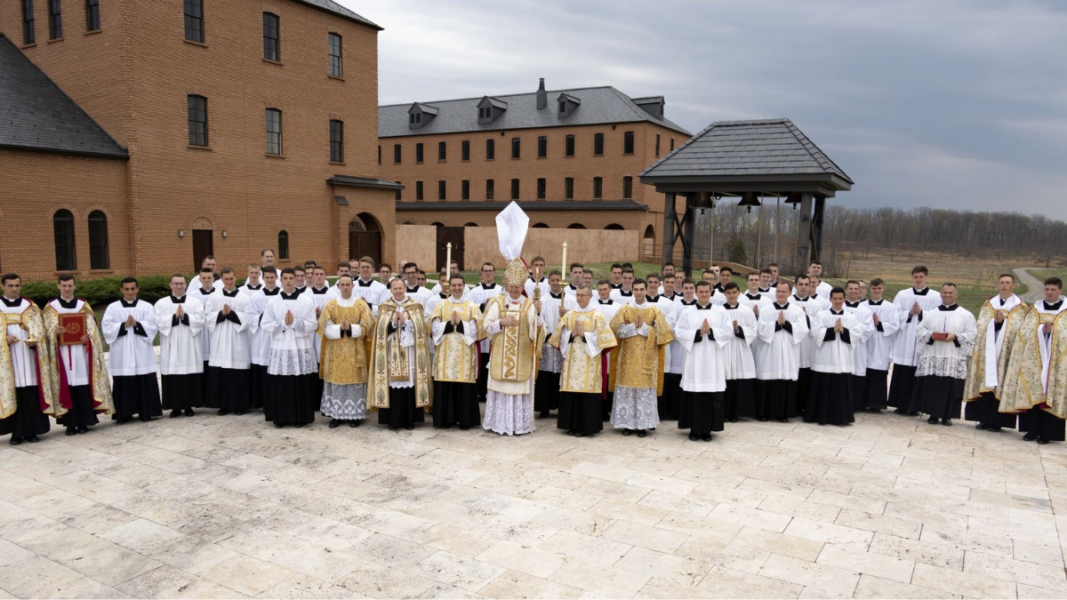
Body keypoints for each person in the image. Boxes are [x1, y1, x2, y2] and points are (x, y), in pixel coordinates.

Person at [44, 275, 114, 434]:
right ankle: (70, 423)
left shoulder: (83, 306)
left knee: (83, 386)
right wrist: (55, 332)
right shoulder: (51, 308)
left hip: (81, 354)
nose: (67, 289)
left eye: (70, 286)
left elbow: (92, 330)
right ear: (58, 286)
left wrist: (87, 337)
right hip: (62, 353)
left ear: (74, 286)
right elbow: (45, 331)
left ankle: (84, 421)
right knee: (67, 386)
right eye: (64, 286)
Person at [1001, 278, 1067, 444]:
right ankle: (1031, 430)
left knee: (1050, 393)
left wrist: (1053, 332)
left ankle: (1047, 433)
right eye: (1047, 289)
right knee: (1032, 390)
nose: (1049, 292)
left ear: (1060, 290)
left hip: (1056, 362)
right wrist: (1041, 331)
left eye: (1053, 289)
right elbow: (1025, 331)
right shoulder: (1035, 309)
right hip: (1034, 360)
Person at [483, 260, 544, 435]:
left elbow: (537, 329)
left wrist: (538, 314)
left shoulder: (529, 304)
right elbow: (486, 327)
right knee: (501, 391)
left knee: (519, 390)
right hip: (501, 355)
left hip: (522, 356)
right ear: (507, 285)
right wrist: (501, 322)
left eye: (518, 287)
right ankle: (499, 424)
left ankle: (519, 425)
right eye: (512, 286)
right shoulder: (498, 303)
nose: (514, 290)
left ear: (522, 286)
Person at [608, 278, 673, 437]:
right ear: (632, 291)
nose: (638, 292)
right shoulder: (624, 310)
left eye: (641, 289)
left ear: (646, 290)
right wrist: (633, 327)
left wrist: (643, 327)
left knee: (643, 390)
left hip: (647, 359)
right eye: (636, 289)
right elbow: (615, 332)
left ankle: (643, 425)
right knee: (628, 390)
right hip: (627, 358)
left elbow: (663, 335)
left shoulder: (654, 311)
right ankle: (627, 424)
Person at [963, 274, 1026, 432]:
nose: (1004, 286)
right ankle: (984, 419)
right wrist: (994, 323)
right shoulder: (989, 304)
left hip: (1006, 354)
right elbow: (981, 324)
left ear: (1014, 286)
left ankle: (998, 422)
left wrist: (1003, 322)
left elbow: (1020, 329)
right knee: (986, 384)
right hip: (987, 352)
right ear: (997, 285)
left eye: (1007, 283)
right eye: (1002, 283)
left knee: (1001, 383)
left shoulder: (1020, 307)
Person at [368, 277, 433, 430]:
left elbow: (421, 331)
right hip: (391, 353)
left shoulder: (415, 306)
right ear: (390, 290)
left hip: (410, 353)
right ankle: (393, 420)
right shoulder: (385, 307)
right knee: (392, 385)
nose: (398, 291)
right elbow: (380, 332)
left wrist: (405, 322)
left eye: (400, 288)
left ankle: (410, 420)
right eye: (395, 289)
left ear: (405, 288)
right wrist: (393, 323)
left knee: (410, 384)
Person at [552, 285, 616, 437]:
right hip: (572, 362)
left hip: (590, 363)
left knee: (586, 391)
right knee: (572, 391)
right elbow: (558, 337)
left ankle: (586, 427)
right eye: (577, 295)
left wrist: (585, 334)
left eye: (582, 295)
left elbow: (605, 340)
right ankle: (571, 425)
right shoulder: (569, 315)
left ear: (590, 296)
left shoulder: (597, 316)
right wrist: (572, 334)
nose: (579, 298)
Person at [910, 283, 977, 426]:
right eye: (945, 292)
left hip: (953, 356)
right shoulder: (931, 314)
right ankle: (932, 414)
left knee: (950, 387)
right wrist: (931, 336)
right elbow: (919, 331)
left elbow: (972, 334)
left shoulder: (966, 315)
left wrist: (956, 336)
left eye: (950, 293)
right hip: (934, 356)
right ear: (940, 294)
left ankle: (948, 416)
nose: (947, 295)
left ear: (956, 295)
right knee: (933, 385)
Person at [1, 273, 54, 445]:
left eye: (17, 285)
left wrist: (35, 339)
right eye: (11, 285)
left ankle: (33, 431)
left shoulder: (29, 306)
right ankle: (16, 433)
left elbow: (40, 328)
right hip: (8, 359)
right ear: (3, 286)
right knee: (15, 394)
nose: (14, 289)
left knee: (31, 392)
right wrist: (4, 339)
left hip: (28, 356)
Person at [261, 268, 319, 428]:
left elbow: (313, 324)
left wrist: (294, 322)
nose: (288, 281)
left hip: (300, 347)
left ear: (295, 280)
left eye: (290, 278)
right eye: (285, 278)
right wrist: (283, 323)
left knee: (299, 384)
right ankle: (280, 418)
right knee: (281, 384)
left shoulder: (305, 301)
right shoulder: (273, 302)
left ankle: (300, 418)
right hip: (281, 348)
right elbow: (265, 324)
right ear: (281, 280)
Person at [676, 281, 732, 441]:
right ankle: (694, 430)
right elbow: (679, 332)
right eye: (700, 292)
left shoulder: (721, 312)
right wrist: (698, 333)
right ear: (695, 292)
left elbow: (728, 332)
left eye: (706, 292)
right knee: (694, 396)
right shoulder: (687, 313)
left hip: (713, 360)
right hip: (694, 360)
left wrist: (712, 331)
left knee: (709, 395)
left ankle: (707, 430)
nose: (703, 294)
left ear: (711, 292)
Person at [101, 277, 162, 424]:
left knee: (144, 380)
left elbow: (153, 326)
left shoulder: (146, 307)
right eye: (126, 289)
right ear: (121, 290)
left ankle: (146, 412)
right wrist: (124, 325)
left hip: (141, 350)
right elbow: (107, 328)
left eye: (133, 289)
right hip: (122, 351)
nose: (130, 292)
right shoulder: (113, 308)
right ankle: (124, 413)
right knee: (123, 382)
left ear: (138, 289)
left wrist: (136, 324)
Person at [317, 274, 374, 429]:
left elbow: (367, 327)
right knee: (336, 382)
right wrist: (339, 328)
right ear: (338, 286)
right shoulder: (331, 305)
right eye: (342, 284)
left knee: (354, 382)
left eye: (348, 284)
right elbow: (324, 327)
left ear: (353, 286)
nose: (345, 287)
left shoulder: (361, 305)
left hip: (355, 351)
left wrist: (349, 328)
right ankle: (336, 415)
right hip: (335, 351)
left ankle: (354, 415)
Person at [429, 275, 483, 429]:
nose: (457, 288)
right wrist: (449, 324)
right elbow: (433, 329)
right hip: (444, 354)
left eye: (460, 285)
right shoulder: (440, 306)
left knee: (463, 386)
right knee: (446, 385)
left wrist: (460, 324)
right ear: (449, 287)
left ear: (464, 286)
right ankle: (445, 419)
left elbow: (478, 330)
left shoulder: (472, 307)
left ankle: (465, 420)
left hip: (464, 354)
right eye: (454, 285)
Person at [888, 266, 942, 415]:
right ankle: (901, 404)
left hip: (922, 339)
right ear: (912, 277)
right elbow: (895, 314)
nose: (918, 280)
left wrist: (922, 312)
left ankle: (916, 407)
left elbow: (938, 316)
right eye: (916, 277)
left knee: (919, 372)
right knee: (903, 372)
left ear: (926, 277)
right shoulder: (902, 295)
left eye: (921, 277)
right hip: (905, 338)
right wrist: (910, 313)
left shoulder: (935, 296)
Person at [806, 287, 864, 426]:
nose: (837, 301)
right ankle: (820, 416)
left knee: (840, 389)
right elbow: (815, 332)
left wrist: (843, 330)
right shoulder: (821, 315)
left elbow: (857, 334)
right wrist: (833, 330)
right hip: (825, 358)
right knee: (823, 388)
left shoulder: (850, 317)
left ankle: (840, 417)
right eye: (835, 298)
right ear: (830, 299)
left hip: (842, 360)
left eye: (840, 299)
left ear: (844, 299)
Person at [756, 281, 809, 422]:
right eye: (778, 291)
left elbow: (803, 330)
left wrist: (785, 324)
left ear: (789, 293)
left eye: (784, 292)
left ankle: (782, 413)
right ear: (775, 292)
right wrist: (776, 324)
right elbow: (761, 330)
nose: (781, 294)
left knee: (785, 382)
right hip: (769, 352)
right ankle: (764, 413)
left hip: (788, 353)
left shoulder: (797, 311)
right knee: (768, 381)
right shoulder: (766, 310)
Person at [155, 274, 206, 418]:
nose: (179, 287)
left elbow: (201, 320)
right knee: (173, 374)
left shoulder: (195, 302)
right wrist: (173, 317)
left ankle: (189, 405)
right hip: (171, 344)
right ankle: (175, 407)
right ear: (170, 285)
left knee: (190, 373)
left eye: (181, 284)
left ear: (185, 285)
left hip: (190, 343)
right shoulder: (161, 303)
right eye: (176, 284)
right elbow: (158, 321)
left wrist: (185, 316)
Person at [204, 267, 252, 415]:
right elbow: (206, 317)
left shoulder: (244, 298)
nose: (229, 282)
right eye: (226, 279)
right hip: (220, 339)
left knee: (237, 374)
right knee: (222, 374)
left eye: (231, 278)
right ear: (222, 280)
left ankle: (239, 405)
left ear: (235, 278)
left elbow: (248, 317)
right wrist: (221, 314)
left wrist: (231, 314)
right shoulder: (214, 297)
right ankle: (223, 405)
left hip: (238, 340)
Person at [536, 270, 576, 418]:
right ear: (548, 282)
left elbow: (575, 320)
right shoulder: (543, 300)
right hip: (547, 343)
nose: (555, 282)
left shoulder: (571, 300)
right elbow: (539, 320)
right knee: (545, 375)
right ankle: (544, 407)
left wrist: (566, 316)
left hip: (563, 344)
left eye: (557, 280)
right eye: (552, 280)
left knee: (561, 375)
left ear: (562, 281)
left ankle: (561, 407)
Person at [720, 282, 757, 422]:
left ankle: (735, 412)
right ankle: (723, 412)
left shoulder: (747, 311)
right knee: (724, 379)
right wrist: (728, 331)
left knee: (738, 381)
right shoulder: (719, 311)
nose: (731, 296)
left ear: (739, 293)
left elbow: (754, 330)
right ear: (724, 294)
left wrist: (738, 330)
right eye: (728, 293)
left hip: (741, 349)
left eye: (734, 293)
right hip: (724, 349)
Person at [245, 267, 280, 412]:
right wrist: (265, 318)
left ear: (276, 278)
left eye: (272, 277)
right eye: (267, 277)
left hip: (279, 336)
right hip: (262, 338)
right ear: (263, 278)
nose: (270, 280)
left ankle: (277, 400)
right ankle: (264, 402)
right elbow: (249, 317)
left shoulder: (283, 295)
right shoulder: (255, 297)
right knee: (263, 370)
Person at [862, 278, 900, 411]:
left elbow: (895, 326)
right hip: (866, 342)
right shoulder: (863, 306)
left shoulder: (890, 307)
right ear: (869, 289)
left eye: (879, 288)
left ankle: (876, 404)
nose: (876, 291)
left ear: (883, 289)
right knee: (864, 371)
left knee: (878, 373)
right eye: (874, 288)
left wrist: (879, 324)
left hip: (881, 344)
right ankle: (862, 402)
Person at [790, 275, 826, 415]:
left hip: (807, 346)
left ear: (811, 285)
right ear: (795, 285)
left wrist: (805, 317)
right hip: (791, 344)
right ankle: (791, 406)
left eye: (806, 284)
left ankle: (803, 406)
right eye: (801, 284)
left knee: (805, 378)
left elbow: (818, 327)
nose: (803, 287)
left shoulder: (816, 305)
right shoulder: (788, 302)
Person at [661, 279, 695, 420]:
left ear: (694, 289)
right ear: (681, 288)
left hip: (693, 346)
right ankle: (673, 411)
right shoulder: (675, 305)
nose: (688, 290)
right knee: (675, 378)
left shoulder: (699, 305)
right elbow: (672, 324)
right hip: (676, 346)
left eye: (691, 288)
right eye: (685, 288)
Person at [468, 262, 503, 402]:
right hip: (479, 333)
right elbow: (469, 308)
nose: (488, 273)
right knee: (480, 362)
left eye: (490, 270)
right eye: (485, 271)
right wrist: (482, 305)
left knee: (492, 361)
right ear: (481, 273)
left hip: (494, 334)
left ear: (494, 273)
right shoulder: (474, 292)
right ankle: (479, 391)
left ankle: (491, 390)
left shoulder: (501, 291)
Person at [842, 280, 874, 413]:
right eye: (851, 289)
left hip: (858, 348)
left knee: (856, 373)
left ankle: (855, 404)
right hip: (841, 345)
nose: (854, 291)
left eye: (856, 289)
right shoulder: (839, 307)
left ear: (860, 291)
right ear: (846, 290)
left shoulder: (865, 310)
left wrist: (853, 324)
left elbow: (869, 330)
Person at [595, 280, 623, 421]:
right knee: (599, 377)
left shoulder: (619, 308)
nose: (602, 292)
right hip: (596, 347)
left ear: (610, 289)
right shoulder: (592, 307)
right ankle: (599, 410)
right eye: (600, 289)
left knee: (611, 376)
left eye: (605, 289)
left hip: (613, 347)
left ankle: (611, 408)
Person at [192, 268, 218, 395]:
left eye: (209, 278)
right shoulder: (192, 296)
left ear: (213, 279)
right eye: (204, 278)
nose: (207, 281)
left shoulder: (219, 294)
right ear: (200, 279)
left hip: (214, 331)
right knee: (201, 360)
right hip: (200, 331)